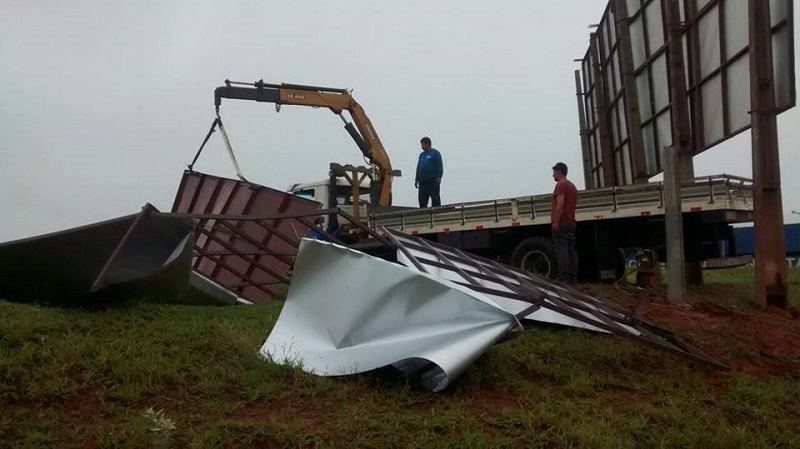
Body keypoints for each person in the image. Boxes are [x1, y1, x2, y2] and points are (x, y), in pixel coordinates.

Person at [550, 162, 579, 284]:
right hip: (571, 221)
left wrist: (556, 221)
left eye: (554, 172)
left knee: (561, 249)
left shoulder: (561, 185)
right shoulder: (572, 186)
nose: (553, 175)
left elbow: (560, 204)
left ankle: (563, 277)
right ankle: (573, 277)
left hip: (562, 222)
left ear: (559, 171)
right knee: (571, 250)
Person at [415, 136, 444, 208]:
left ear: (428, 144)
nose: (421, 146)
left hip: (432, 180)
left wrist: (439, 177)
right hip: (422, 181)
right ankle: (424, 214)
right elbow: (419, 167)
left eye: (422, 144)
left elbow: (439, 165)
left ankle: (436, 214)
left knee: (435, 199)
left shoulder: (435, 153)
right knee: (422, 200)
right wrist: (417, 179)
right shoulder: (421, 155)